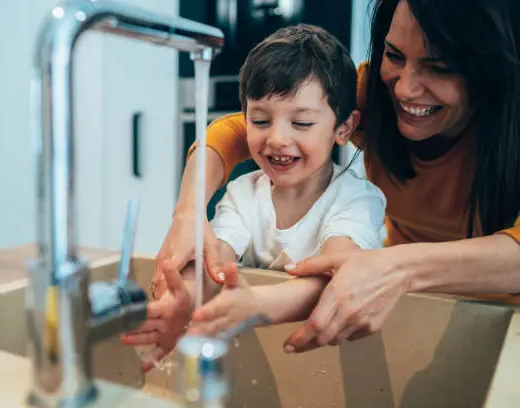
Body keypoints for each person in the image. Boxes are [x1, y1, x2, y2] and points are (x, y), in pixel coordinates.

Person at [153, 0, 520, 353]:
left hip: (505, 318)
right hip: (406, 303)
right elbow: (236, 130)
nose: (405, 88)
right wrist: (188, 212)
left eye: (438, 67)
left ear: (492, 64)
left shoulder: (354, 200)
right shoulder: (374, 94)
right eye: (393, 55)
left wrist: (397, 267)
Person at [121, 24, 386, 369]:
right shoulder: (243, 193)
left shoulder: (356, 198)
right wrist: (182, 297)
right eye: (260, 121)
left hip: (337, 363)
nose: (276, 138)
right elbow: (215, 261)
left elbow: (340, 275)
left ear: (343, 128)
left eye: (302, 123)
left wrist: (254, 304)